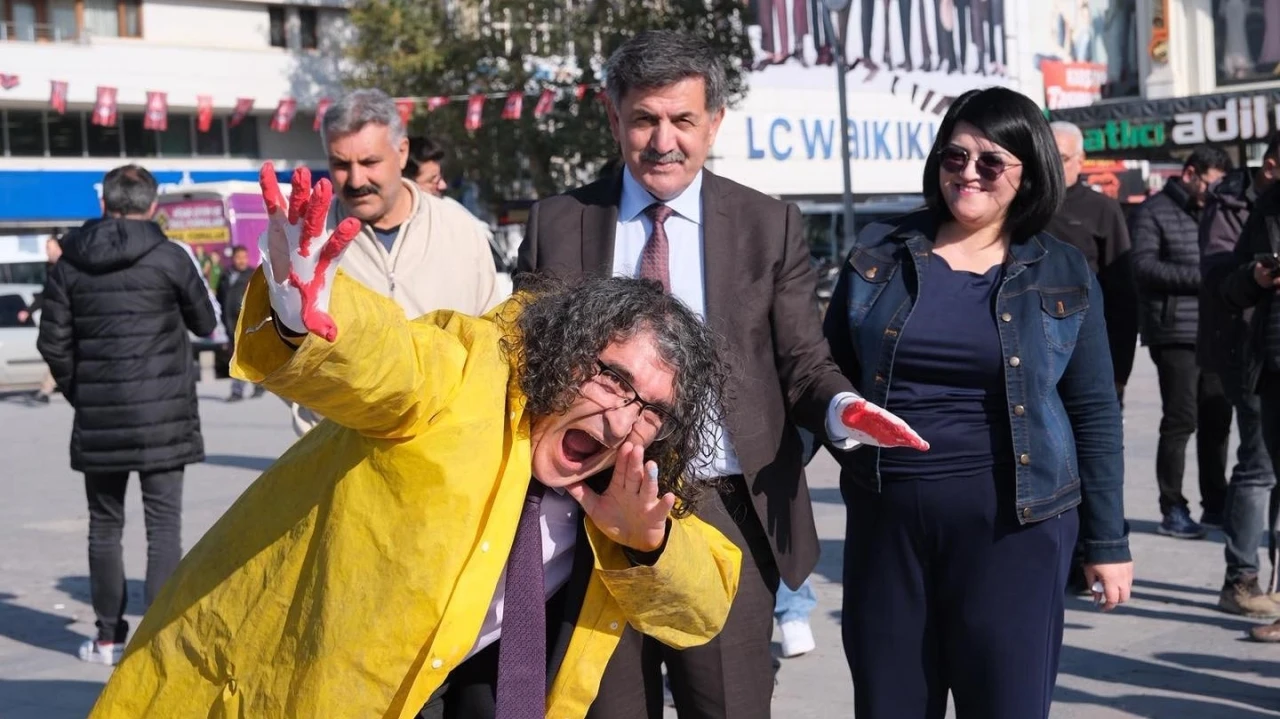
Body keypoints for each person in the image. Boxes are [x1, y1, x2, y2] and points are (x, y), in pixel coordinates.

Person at [87, 167, 744, 717]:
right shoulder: (469, 371)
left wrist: (648, 543)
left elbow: (703, 603)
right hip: (285, 678)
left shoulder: (632, 478)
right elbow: (391, 361)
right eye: (613, 378)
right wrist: (306, 314)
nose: (621, 420)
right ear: (567, 354)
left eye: (651, 410)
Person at [518, 30, 925, 719]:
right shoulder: (558, 222)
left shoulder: (768, 224)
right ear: (613, 118)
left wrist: (842, 409)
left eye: (682, 119)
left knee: (729, 706)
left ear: (714, 121)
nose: (663, 141)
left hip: (723, 510)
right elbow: (527, 363)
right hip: (590, 507)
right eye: (644, 119)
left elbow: (803, 360)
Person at [824, 87, 1133, 719]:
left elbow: (1095, 411)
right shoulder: (879, 252)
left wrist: (1108, 541)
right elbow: (821, 375)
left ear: (1029, 171)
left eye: (991, 162)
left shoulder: (1063, 270)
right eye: (955, 156)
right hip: (887, 524)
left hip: (1016, 529)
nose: (969, 173)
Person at [35, 164, 218, 666]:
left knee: (104, 526)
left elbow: (52, 342)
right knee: (164, 527)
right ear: (153, 205)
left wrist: (81, 392)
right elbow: (205, 322)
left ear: (104, 203)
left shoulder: (69, 263)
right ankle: (155, 645)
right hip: (165, 413)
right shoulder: (170, 256)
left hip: (99, 416)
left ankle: (108, 638)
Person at [285, 89, 503, 437]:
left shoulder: (460, 231)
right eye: (341, 165)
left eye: (369, 162)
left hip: (446, 448)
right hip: (342, 452)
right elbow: (282, 359)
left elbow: (493, 342)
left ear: (401, 153)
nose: (356, 180)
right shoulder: (309, 242)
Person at [1131, 146, 1232, 539]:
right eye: (1210, 184)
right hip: (1174, 331)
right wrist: (1205, 278)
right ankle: (1172, 507)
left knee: (1217, 418)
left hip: (1217, 329)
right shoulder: (1153, 211)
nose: (1214, 192)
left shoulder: (1218, 210)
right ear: (1190, 174)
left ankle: (1216, 504)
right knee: (1181, 420)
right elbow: (1143, 266)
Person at [1200, 133, 1280, 619]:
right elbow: (1221, 280)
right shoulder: (1243, 206)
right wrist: (1255, 277)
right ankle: (1242, 577)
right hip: (1258, 355)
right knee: (1259, 465)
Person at [1221, 150, 1280, 643]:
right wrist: (1254, 278)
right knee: (1265, 473)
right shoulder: (1268, 207)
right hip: (1273, 365)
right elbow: (1230, 285)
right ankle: (1247, 581)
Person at [1045, 121, 1138, 406]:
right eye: (1047, 156)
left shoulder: (1102, 209)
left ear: (1080, 159)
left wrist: (1120, 368)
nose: (1053, 165)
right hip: (1034, 353)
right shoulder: (1022, 208)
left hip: (1090, 349)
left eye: (1062, 158)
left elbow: (1123, 293)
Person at [214, 245, 265, 402]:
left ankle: (246, 389)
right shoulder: (226, 275)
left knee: (246, 357)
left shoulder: (253, 275)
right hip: (230, 324)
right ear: (233, 259)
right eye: (238, 258)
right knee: (237, 357)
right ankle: (247, 388)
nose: (241, 261)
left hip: (248, 324)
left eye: (244, 257)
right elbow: (220, 298)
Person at [26, 232, 63, 404]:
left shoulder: (66, 268)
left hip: (66, 319)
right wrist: (29, 310)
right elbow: (46, 294)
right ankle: (47, 388)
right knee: (58, 353)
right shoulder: (50, 268)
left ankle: (46, 388)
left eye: (49, 248)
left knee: (61, 353)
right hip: (57, 319)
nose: (46, 252)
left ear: (58, 249)